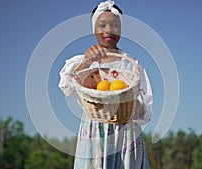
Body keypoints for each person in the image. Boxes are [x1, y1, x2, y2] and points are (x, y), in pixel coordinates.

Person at [59, 1, 153, 168]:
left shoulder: (132, 64)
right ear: (94, 29)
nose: (108, 30)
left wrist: (127, 105)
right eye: (102, 25)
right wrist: (87, 63)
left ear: (121, 29)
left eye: (115, 25)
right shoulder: (84, 61)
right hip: (94, 132)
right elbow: (67, 86)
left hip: (126, 133)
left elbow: (144, 109)